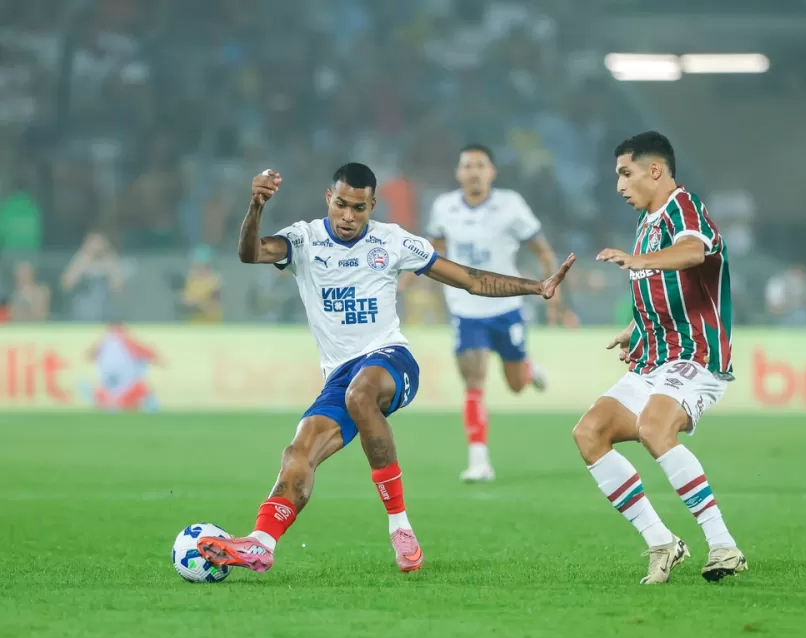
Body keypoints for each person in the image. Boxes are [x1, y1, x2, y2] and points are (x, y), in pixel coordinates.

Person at [197, 163, 574, 574]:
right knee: (299, 451)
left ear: (372, 206)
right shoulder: (304, 240)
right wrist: (256, 206)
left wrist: (536, 287)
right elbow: (249, 253)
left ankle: (400, 527)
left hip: (391, 359)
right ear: (329, 197)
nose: (347, 216)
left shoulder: (392, 241)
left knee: (361, 393)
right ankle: (261, 542)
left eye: (358, 208)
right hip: (339, 373)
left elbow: (468, 278)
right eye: (341, 205)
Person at [574, 131, 746, 584]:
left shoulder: (682, 207)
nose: (619, 186)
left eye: (625, 173)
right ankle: (662, 542)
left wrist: (634, 260)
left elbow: (694, 252)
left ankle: (724, 546)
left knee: (654, 426)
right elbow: (663, 285)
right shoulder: (648, 222)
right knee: (590, 433)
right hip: (653, 359)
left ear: (655, 170)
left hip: (696, 355)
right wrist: (637, 327)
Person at [424, 144, 575, 482]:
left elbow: (543, 251)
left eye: (480, 165)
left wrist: (555, 297)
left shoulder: (511, 206)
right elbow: (432, 252)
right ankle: (479, 460)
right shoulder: (443, 208)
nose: (474, 171)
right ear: (458, 173)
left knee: (517, 385)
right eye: (467, 165)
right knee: (474, 383)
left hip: (506, 307)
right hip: (465, 309)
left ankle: (526, 367)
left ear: (492, 172)